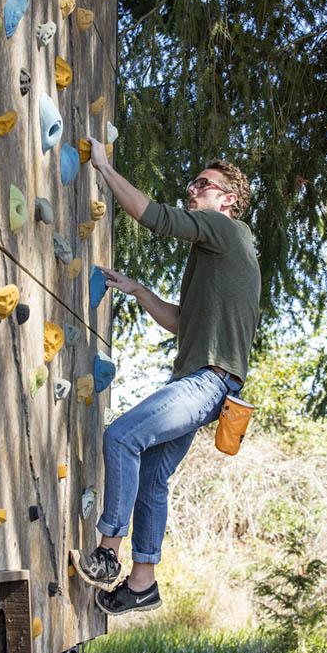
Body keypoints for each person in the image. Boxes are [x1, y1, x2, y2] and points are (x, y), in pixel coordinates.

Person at [75, 136, 261, 615]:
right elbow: (182, 322)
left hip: (206, 383)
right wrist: (138, 291)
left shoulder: (224, 230)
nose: (193, 189)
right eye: (194, 183)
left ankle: (107, 552)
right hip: (207, 384)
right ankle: (143, 584)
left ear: (229, 200)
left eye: (205, 184)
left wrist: (103, 168)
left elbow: (154, 216)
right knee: (154, 478)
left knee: (121, 438)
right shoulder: (218, 255)